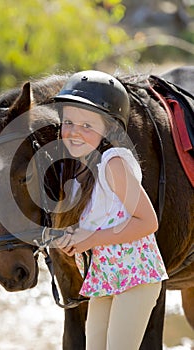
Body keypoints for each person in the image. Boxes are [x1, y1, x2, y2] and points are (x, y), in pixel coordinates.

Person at [52, 70, 168, 350]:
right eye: (68, 122)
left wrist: (90, 239)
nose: (74, 131)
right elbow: (99, 224)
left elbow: (147, 222)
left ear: (110, 129)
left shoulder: (113, 164)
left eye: (87, 125)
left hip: (135, 276)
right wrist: (73, 239)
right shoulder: (80, 171)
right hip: (105, 275)